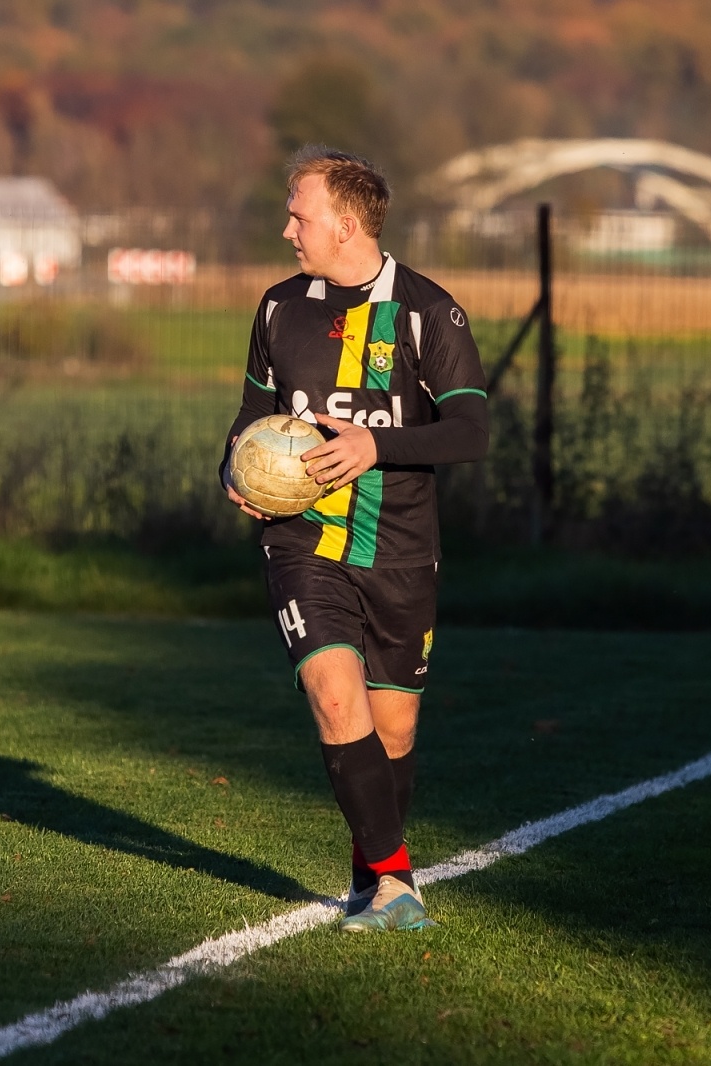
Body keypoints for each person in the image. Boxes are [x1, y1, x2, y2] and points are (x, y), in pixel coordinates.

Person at [221, 145, 489, 932]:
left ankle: (368, 882)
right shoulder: (277, 308)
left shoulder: (430, 312)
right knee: (334, 696)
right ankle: (398, 882)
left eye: (298, 214)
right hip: (301, 542)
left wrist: (378, 446)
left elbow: (470, 431)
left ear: (345, 223)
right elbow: (249, 415)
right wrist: (234, 472)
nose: (286, 228)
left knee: (393, 728)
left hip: (400, 548)